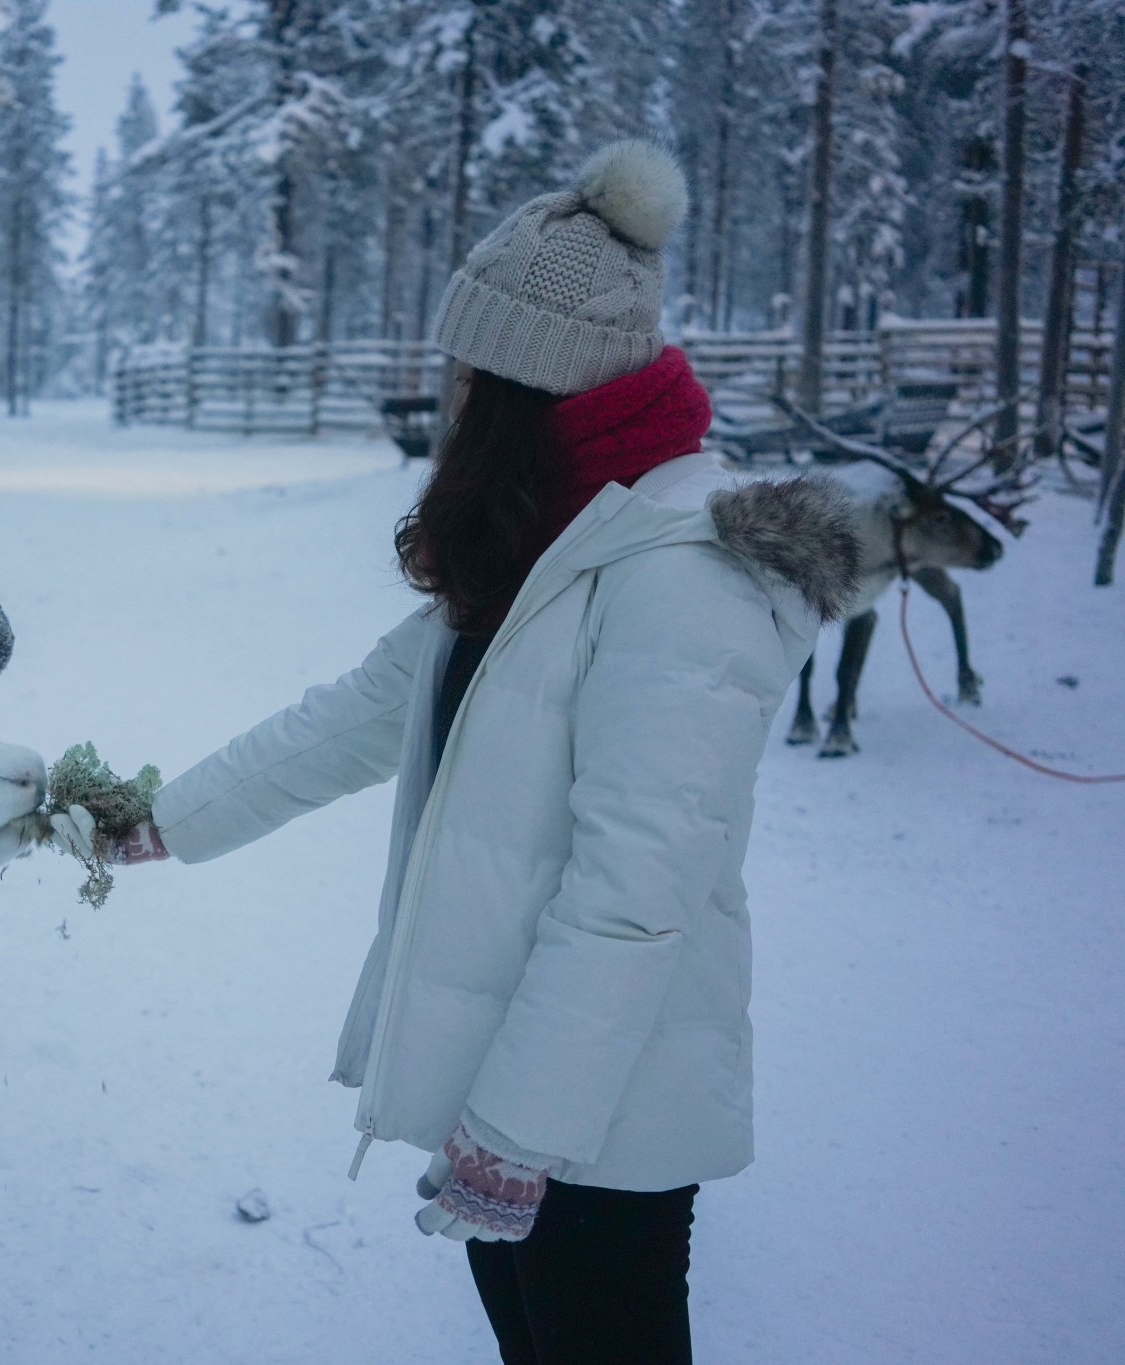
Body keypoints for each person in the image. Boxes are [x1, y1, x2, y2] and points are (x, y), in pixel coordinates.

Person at [53, 142, 859, 1364]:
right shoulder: (551, 536)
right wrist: (167, 817)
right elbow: (359, 711)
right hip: (508, 1076)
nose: (456, 404)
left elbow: (633, 893)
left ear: (535, 385)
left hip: (602, 1115)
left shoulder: (680, 571)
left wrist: (518, 1133)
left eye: (475, 376)